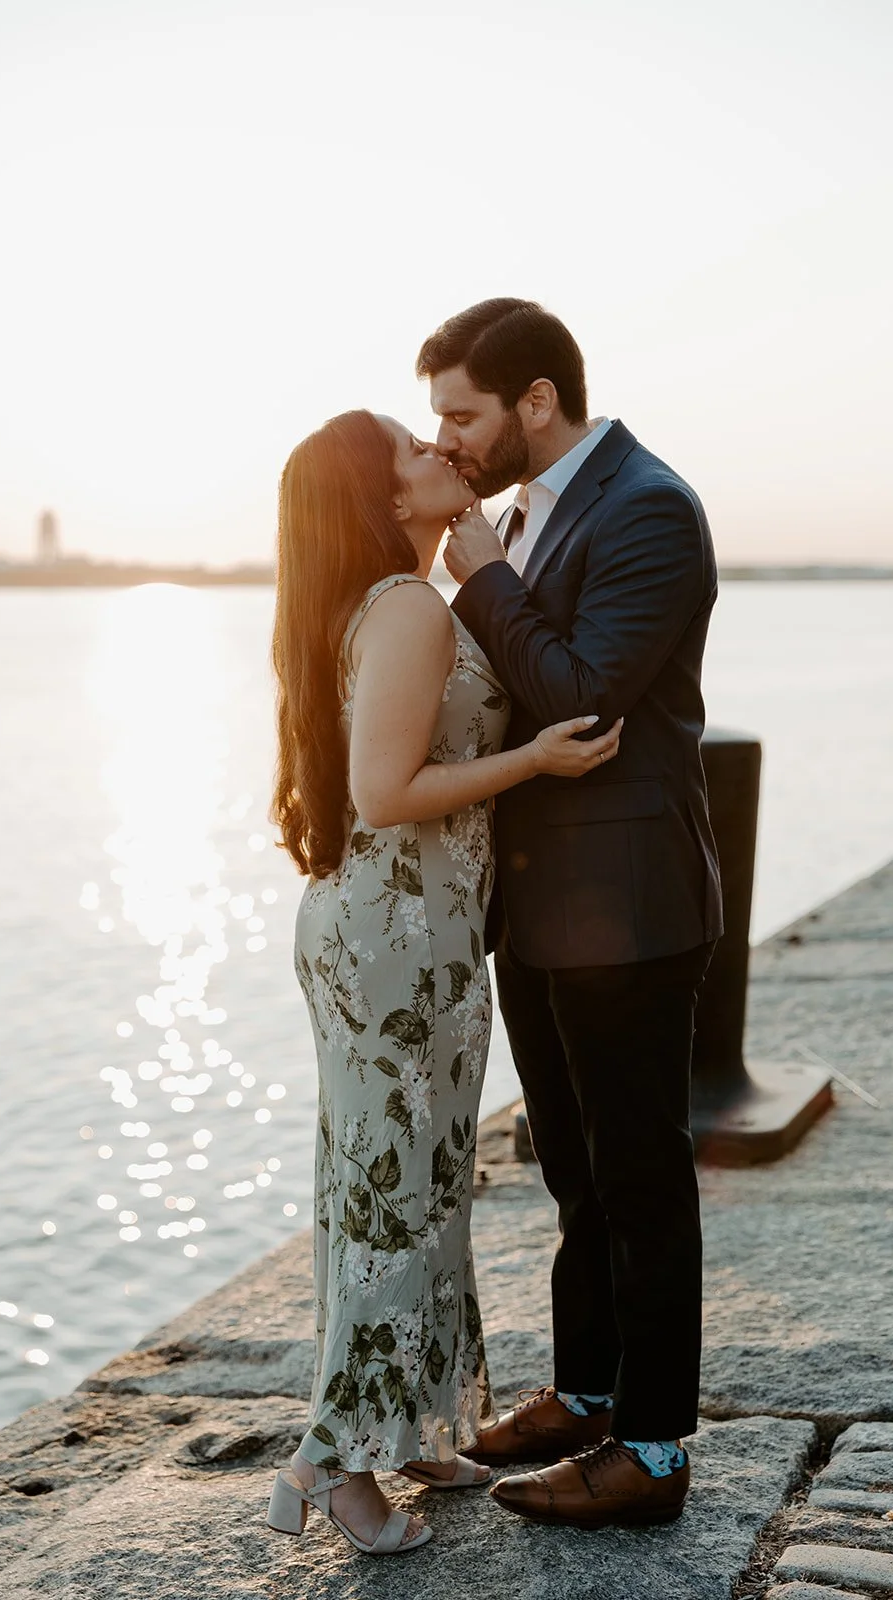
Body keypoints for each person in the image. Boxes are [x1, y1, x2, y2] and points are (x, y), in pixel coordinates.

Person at [265, 408, 622, 1556]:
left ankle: (411, 1420)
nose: (438, 453)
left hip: (408, 932)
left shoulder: (395, 600)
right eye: (412, 451)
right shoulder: (406, 604)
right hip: (392, 937)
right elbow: (383, 792)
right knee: (386, 1193)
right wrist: (532, 757)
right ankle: (334, 1462)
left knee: (411, 1184)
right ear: (384, 501)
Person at [415, 298, 723, 1529]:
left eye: (461, 414)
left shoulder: (647, 505)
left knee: (641, 1179)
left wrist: (478, 574)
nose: (445, 441)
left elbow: (582, 705)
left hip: (631, 906)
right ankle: (587, 1391)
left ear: (534, 402)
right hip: (539, 909)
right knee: (571, 1172)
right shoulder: (527, 509)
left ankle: (650, 1452)